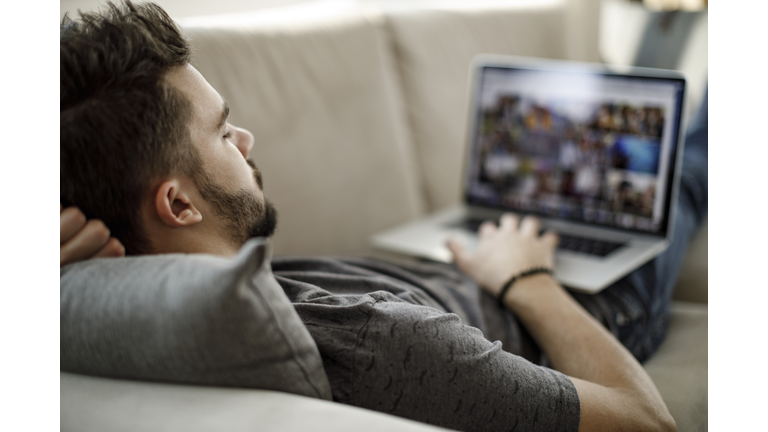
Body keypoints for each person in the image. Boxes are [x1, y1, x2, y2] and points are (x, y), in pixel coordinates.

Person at [61, 2, 708, 431]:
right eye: (224, 132)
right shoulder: (376, 346)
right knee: (686, 168)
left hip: (463, 270)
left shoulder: (97, 288)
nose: (247, 139)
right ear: (178, 204)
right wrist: (525, 277)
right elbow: (645, 422)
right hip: (559, 301)